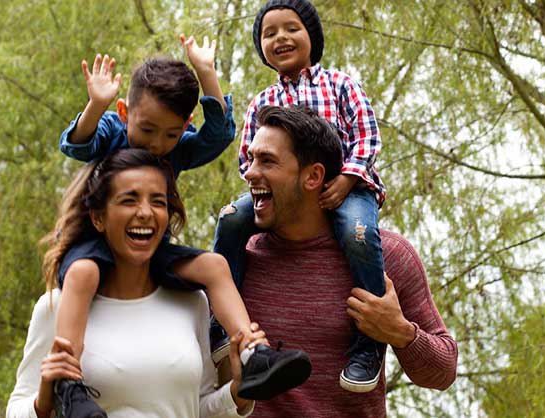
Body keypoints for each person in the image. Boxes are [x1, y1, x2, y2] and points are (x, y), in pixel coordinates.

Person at [53, 38, 309, 416]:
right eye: (148, 130)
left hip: (150, 251)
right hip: (92, 245)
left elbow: (219, 136)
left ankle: (254, 353)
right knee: (84, 273)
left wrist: (207, 74)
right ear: (125, 112)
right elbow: (76, 145)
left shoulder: (176, 149)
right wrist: (96, 105)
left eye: (171, 134)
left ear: (184, 126)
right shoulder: (113, 131)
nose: (158, 144)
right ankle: (69, 386)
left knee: (215, 266)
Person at [7, 149, 267, 418]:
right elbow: (15, 410)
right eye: (129, 200)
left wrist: (238, 391)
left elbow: (198, 407)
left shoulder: (192, 302)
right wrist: (43, 400)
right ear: (98, 218)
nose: (145, 212)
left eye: (158, 202)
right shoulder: (57, 306)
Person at [235, 106, 458, 418]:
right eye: (252, 158)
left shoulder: (387, 256)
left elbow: (443, 372)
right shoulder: (236, 259)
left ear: (313, 176)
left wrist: (400, 332)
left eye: (267, 161)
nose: (249, 172)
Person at [214, 0, 388, 393]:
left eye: (291, 29)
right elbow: (248, 159)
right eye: (269, 33)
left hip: (348, 187)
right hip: (280, 192)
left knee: (359, 235)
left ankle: (368, 342)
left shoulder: (340, 84)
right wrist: (263, 185)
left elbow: (367, 137)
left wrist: (346, 178)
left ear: (312, 36)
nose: (280, 38)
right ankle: (221, 320)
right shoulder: (261, 102)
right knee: (230, 218)